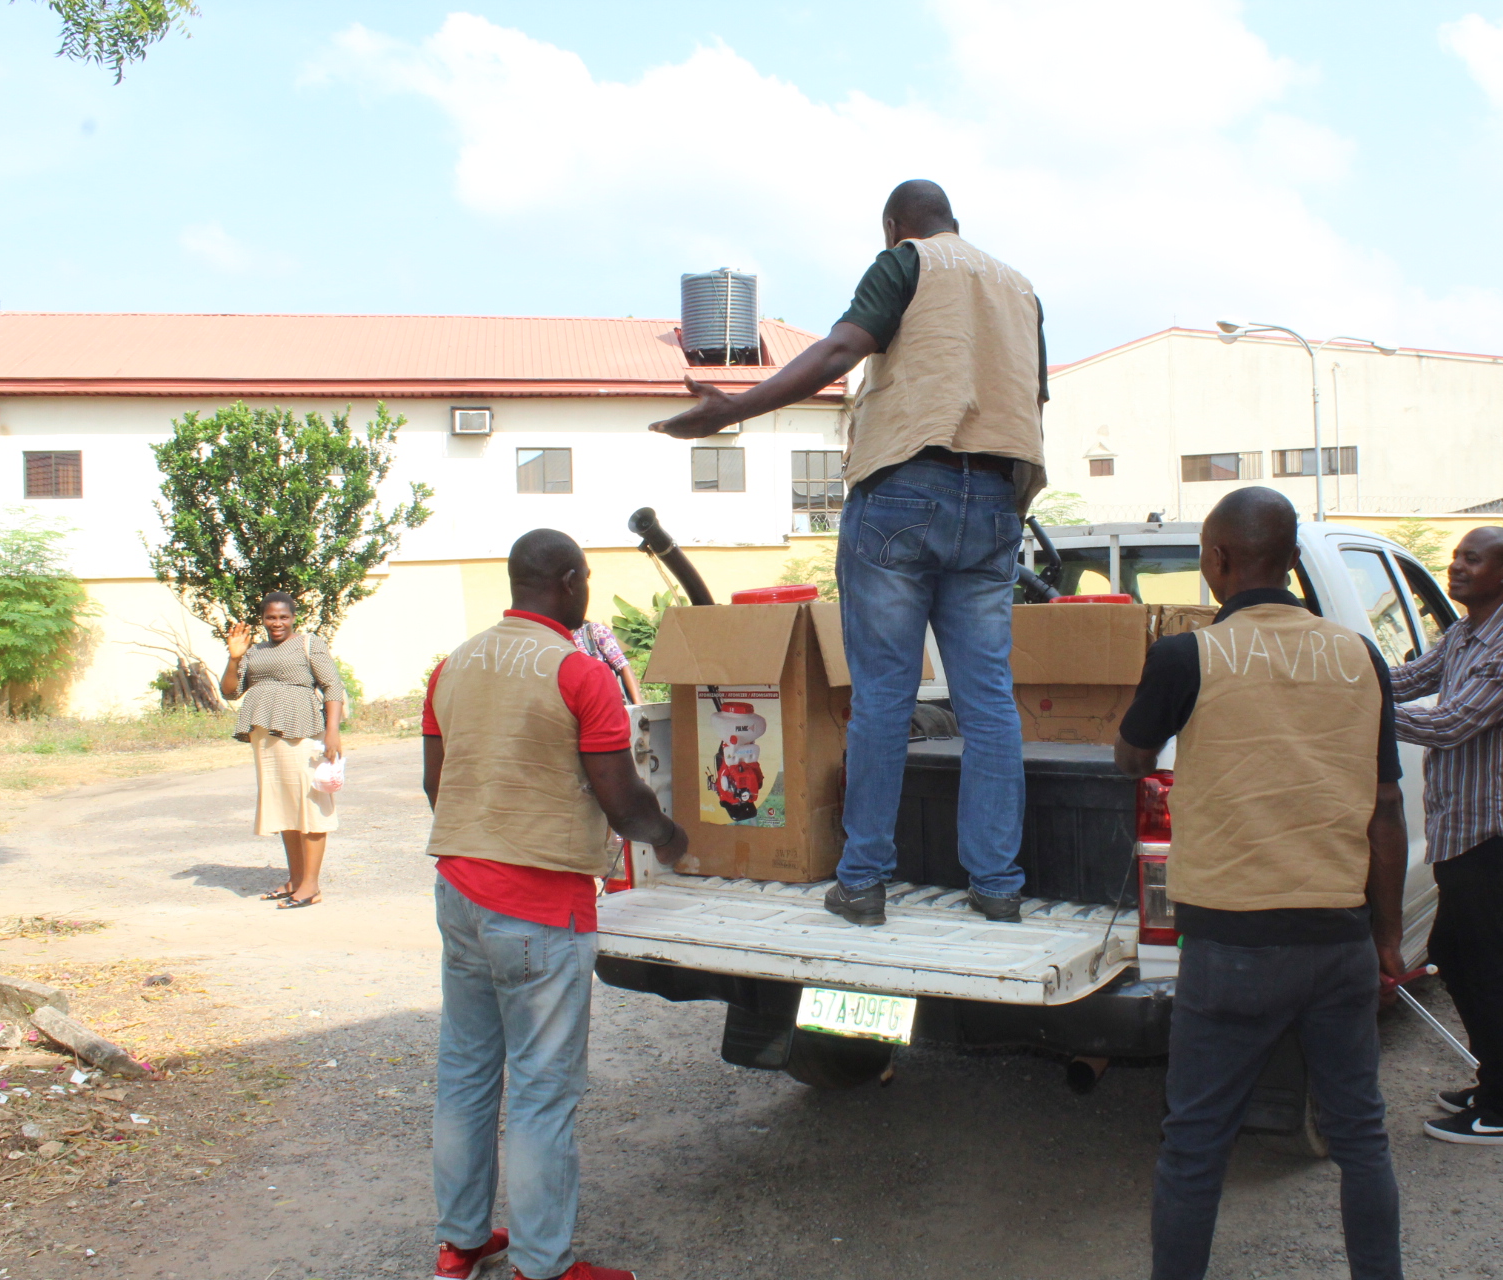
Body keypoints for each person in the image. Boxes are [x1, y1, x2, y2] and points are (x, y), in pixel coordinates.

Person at [651, 179, 1047, 926]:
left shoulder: (905, 263)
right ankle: (998, 885)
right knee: (989, 701)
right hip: (996, 498)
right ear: (954, 220)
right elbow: (1033, 400)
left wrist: (735, 408)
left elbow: (840, 349)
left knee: (885, 699)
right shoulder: (1021, 290)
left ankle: (863, 881)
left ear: (897, 226)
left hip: (905, 489)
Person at [1116, 488, 1408, 1280]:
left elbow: (1133, 757)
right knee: (1361, 1137)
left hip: (1231, 947)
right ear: (1288, 562)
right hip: (1340, 939)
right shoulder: (1359, 655)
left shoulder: (1188, 656)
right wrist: (1387, 938)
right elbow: (1386, 811)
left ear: (1217, 560)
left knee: (1196, 1143)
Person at [422, 528, 687, 1280]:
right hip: (539, 907)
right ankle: (544, 1265)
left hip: (460, 892)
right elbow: (622, 800)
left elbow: (435, 786)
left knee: (467, 1071)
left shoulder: (452, 666)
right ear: (568, 582)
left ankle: (462, 1240)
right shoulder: (578, 673)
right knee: (542, 1091)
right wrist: (670, 837)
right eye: (588, 579)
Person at [1389, 525, 1503, 1147]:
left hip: (1494, 832)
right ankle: (1492, 1085)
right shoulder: (1464, 633)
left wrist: (1350, 709)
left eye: (1473, 559)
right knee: (1456, 957)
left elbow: (1453, 723)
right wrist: (1343, 672)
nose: (1456, 567)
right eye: (1457, 556)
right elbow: (1408, 681)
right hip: (1462, 830)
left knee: (1484, 968)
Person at [218, 591, 345, 910]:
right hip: (266, 738)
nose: (277, 623)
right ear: (262, 619)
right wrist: (234, 658)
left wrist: (332, 732)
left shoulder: (308, 644)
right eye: (271, 617)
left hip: (302, 733)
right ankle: (296, 879)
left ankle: (311, 886)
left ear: (293, 618)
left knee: (310, 804)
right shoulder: (254, 651)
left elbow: (332, 687)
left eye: (283, 617)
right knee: (285, 807)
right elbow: (230, 692)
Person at [572, 618, 642, 705]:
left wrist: (639, 708)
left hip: (610, 705)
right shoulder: (556, 642)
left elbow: (623, 666)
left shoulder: (593, 631)